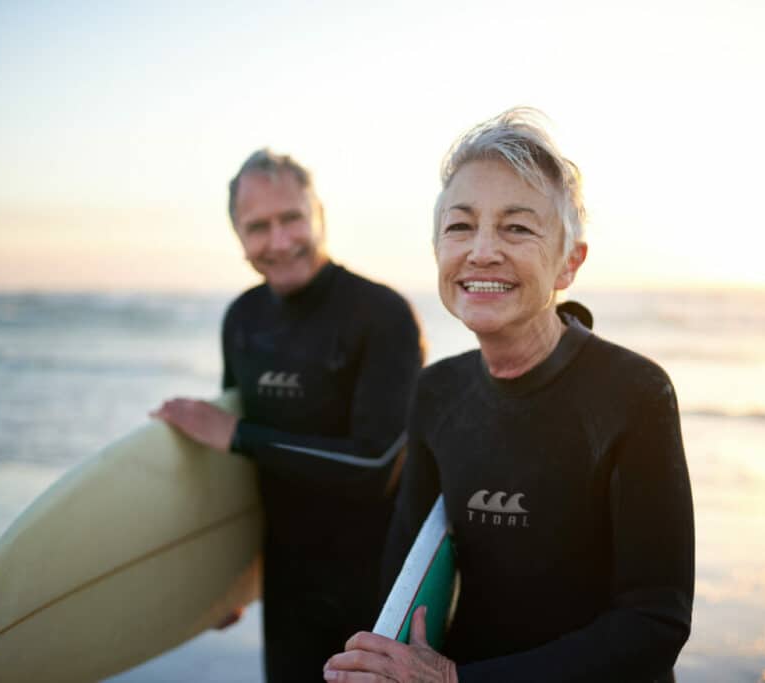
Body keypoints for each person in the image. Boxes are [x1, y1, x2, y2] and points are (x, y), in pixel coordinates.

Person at [324, 109, 694, 683]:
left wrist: (452, 681)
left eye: (517, 228)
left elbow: (655, 623)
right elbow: (408, 577)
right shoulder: (437, 391)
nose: (482, 251)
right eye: (460, 227)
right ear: (437, 252)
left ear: (569, 263)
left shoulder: (634, 395)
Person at [152, 150, 424, 681]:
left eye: (292, 219)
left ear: (318, 214)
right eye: (257, 227)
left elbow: (375, 467)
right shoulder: (243, 319)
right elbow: (240, 476)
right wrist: (227, 581)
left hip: (378, 595)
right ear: (237, 235)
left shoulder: (382, 315)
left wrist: (236, 433)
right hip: (287, 594)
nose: (279, 242)